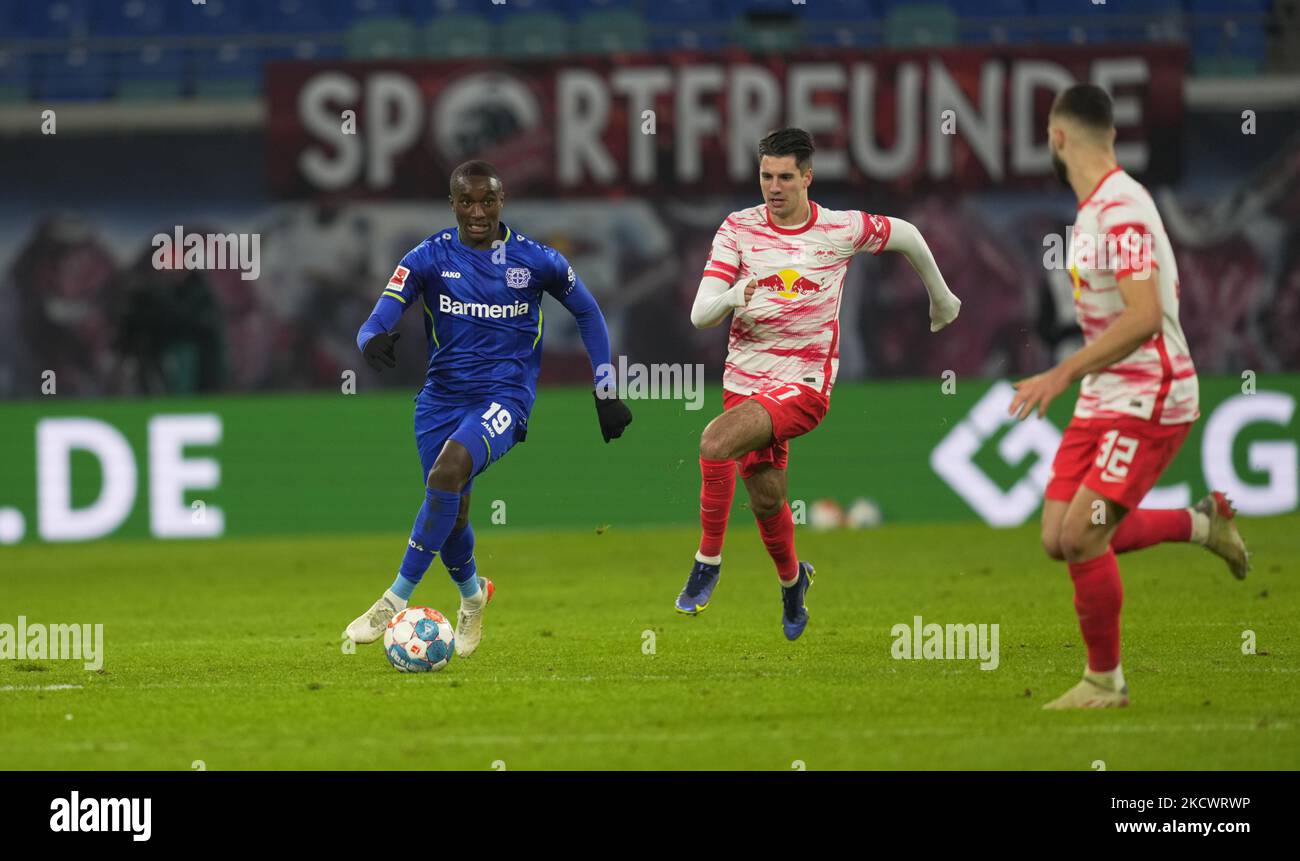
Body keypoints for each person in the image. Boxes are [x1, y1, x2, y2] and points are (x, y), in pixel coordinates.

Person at [1008, 84, 1249, 709]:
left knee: (1086, 537)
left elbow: (1143, 316)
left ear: (1058, 138)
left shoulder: (1122, 210)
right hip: (1106, 393)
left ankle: (1104, 683)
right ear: (1109, 134)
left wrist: (1061, 373)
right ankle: (1204, 524)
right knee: (1059, 535)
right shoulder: (1092, 211)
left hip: (1151, 394)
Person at [676, 127, 962, 641]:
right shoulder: (737, 230)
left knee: (713, 443)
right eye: (766, 175)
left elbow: (909, 235)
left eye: (785, 176)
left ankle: (708, 562)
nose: (774, 187)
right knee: (766, 499)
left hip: (806, 385)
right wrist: (733, 294)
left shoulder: (839, 230)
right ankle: (793, 583)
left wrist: (940, 298)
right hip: (744, 381)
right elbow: (700, 315)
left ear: (807, 177)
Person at [344, 160, 633, 660]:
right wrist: (370, 342)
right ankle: (474, 597)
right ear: (452, 203)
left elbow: (589, 312)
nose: (478, 212)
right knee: (450, 512)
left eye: (488, 201)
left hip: (505, 398)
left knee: (448, 471)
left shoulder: (537, 260)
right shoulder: (427, 258)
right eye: (467, 201)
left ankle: (393, 599)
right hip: (440, 400)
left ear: (502, 202)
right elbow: (377, 317)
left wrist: (605, 389)